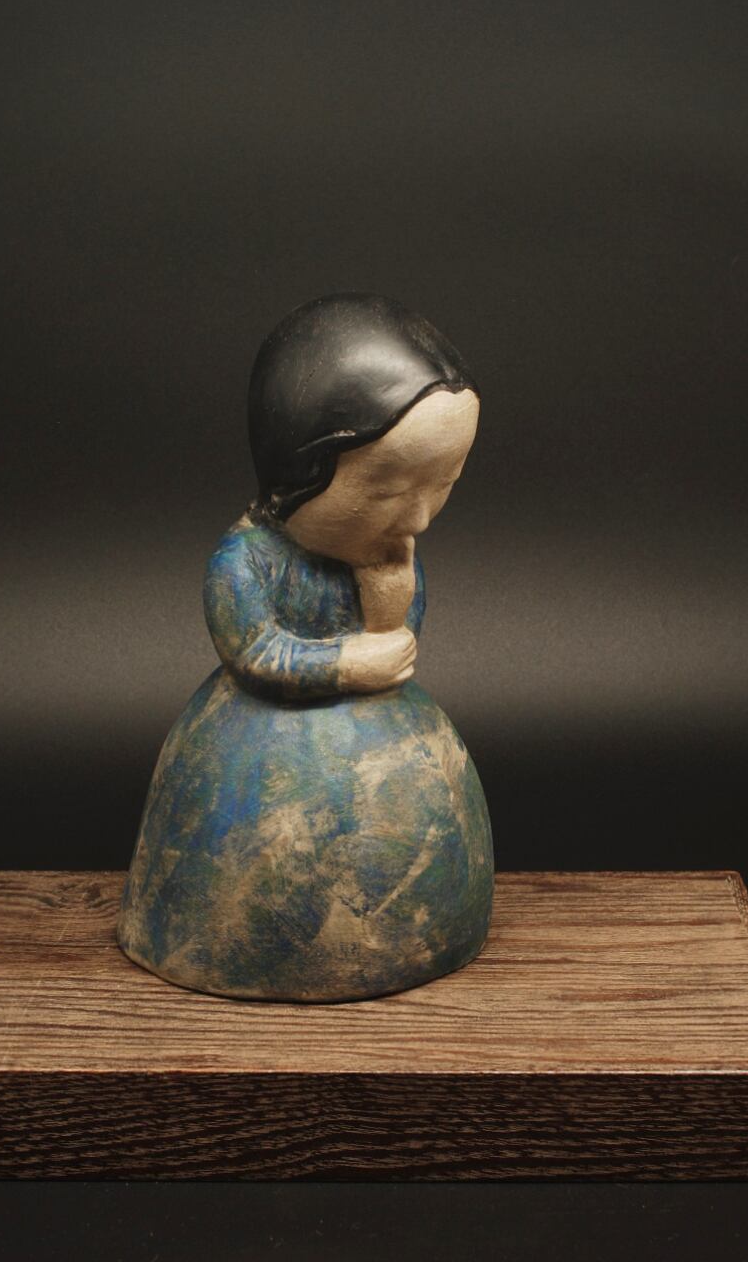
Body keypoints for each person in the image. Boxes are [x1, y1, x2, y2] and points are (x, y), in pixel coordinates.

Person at [118, 294, 493, 1001]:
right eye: (387, 491)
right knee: (260, 868)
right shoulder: (244, 562)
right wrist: (347, 663)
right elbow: (255, 652)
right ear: (301, 472)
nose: (418, 518)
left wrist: (388, 590)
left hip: (389, 750)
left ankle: (424, 934)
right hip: (255, 755)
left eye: (444, 484)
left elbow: (400, 633)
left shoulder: (386, 550)